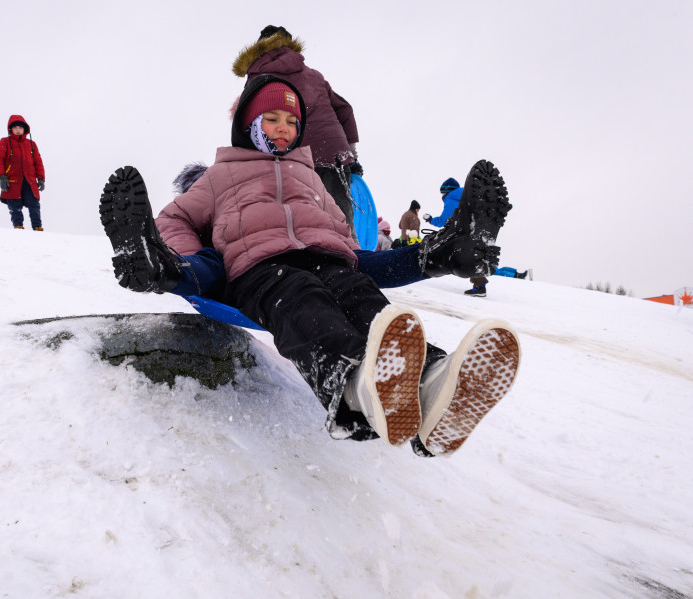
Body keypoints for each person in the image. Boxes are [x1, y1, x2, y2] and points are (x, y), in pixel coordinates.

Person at [99, 75, 519, 457]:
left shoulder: (309, 175)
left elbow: (338, 226)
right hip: (260, 266)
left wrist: (349, 250)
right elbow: (176, 219)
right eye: (272, 119)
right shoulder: (220, 175)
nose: (284, 128)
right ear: (249, 125)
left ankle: (434, 383)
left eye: (291, 121)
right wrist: (191, 259)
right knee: (303, 300)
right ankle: (356, 385)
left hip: (326, 256)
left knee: (366, 302)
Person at [233, 26, 361, 232]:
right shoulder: (313, 75)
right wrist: (351, 154)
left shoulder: (258, 75)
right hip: (334, 153)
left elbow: (248, 121)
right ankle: (352, 258)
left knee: (300, 223)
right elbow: (345, 109)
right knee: (342, 221)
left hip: (292, 157)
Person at [424, 177, 490, 297]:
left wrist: (430, 220)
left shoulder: (451, 197)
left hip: (462, 231)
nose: (442, 195)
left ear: (447, 190)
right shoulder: (467, 195)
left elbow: (445, 220)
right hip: (476, 228)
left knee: (460, 256)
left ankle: (436, 267)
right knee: (472, 255)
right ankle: (480, 286)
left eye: (442, 192)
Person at [0, 115, 46, 230]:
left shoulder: (32, 145)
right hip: (12, 181)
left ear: (25, 129)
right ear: (11, 129)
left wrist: (41, 178)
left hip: (30, 181)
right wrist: (2, 176)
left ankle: (37, 227)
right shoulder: (5, 142)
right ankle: (18, 227)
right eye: (15, 127)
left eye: (20, 127)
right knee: (14, 206)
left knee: (34, 205)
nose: (18, 130)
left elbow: (38, 162)